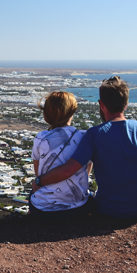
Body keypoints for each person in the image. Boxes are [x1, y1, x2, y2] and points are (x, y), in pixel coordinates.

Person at [33, 77, 137, 219]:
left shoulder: (94, 135)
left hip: (109, 209)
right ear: (126, 104)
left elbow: (69, 169)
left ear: (101, 104)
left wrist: (39, 181)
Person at [29, 91, 93, 219]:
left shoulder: (41, 138)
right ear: (72, 112)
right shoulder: (85, 137)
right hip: (78, 207)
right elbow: (87, 171)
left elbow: (39, 174)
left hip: (43, 209)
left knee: (33, 191)